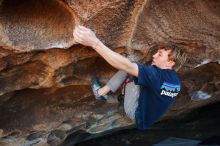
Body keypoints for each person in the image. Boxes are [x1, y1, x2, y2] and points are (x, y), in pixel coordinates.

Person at [73, 25, 187, 129]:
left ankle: (100, 93)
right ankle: (117, 96)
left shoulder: (156, 76)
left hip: (136, 113)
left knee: (129, 69)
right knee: (138, 73)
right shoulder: (174, 81)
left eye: (160, 54)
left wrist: (94, 42)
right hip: (146, 118)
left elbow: (126, 66)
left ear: (170, 63)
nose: (154, 55)